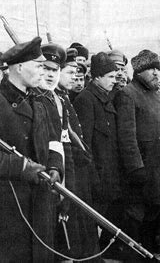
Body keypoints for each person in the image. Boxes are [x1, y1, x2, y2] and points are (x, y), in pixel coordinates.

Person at [0, 37, 63, 262]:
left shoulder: (39, 103)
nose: (44, 71)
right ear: (20, 68)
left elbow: (53, 142)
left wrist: (55, 167)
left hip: (39, 204)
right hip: (6, 208)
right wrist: (21, 166)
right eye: (39, 65)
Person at [114, 49, 160, 260]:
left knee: (155, 208)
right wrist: (135, 166)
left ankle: (149, 245)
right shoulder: (128, 94)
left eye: (159, 71)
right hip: (144, 164)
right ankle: (134, 251)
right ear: (139, 71)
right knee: (137, 212)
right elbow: (126, 135)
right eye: (152, 70)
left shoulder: (156, 94)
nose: (157, 75)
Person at [73, 52, 125, 259]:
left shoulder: (105, 97)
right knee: (92, 218)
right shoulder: (86, 99)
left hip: (109, 172)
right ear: (97, 77)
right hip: (97, 173)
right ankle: (90, 255)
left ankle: (102, 250)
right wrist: (92, 174)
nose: (115, 81)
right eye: (111, 77)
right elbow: (84, 144)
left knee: (109, 214)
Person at [55, 46, 101, 261]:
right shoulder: (55, 98)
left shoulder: (64, 97)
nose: (74, 76)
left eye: (76, 72)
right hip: (67, 165)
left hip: (78, 164)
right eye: (69, 72)